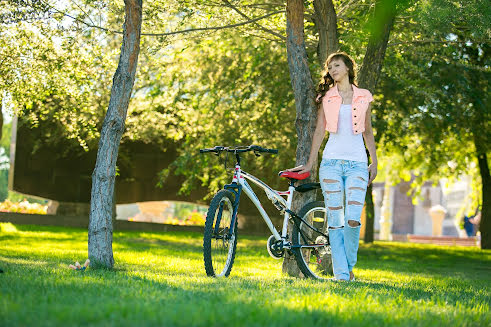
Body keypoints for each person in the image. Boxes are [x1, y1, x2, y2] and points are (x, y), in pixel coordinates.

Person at [287, 51, 378, 281]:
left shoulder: (363, 96)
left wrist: (374, 161)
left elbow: (367, 131)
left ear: (348, 67)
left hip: (358, 164)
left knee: (353, 218)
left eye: (336, 65)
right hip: (331, 163)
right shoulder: (327, 97)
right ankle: (342, 274)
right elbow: (319, 131)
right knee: (336, 220)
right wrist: (310, 162)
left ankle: (347, 265)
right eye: (329, 67)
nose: (332, 70)